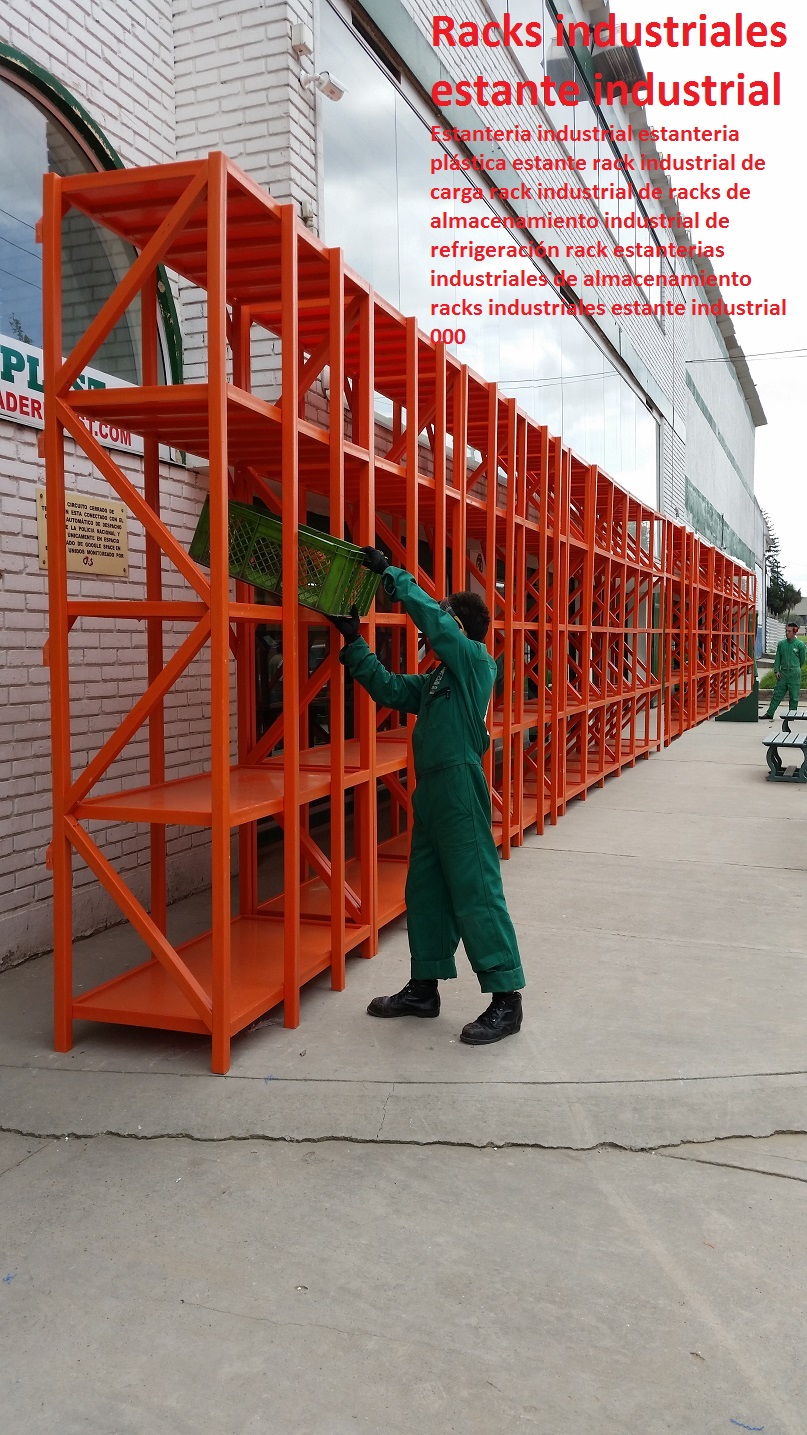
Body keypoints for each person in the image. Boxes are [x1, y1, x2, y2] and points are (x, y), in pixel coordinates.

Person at [328, 548, 525, 1045]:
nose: (432, 632)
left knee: (475, 889)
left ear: (460, 627)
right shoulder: (439, 677)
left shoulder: (475, 662)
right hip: (433, 793)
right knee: (426, 891)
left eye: (446, 620)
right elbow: (392, 689)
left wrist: (395, 577)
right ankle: (424, 987)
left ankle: (506, 998)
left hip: (459, 787)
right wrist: (354, 643)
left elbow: (439, 627)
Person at [765, 622, 806, 724]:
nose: (787, 633)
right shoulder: (781, 644)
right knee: (777, 694)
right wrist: (776, 670)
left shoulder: (800, 645)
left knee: (794, 696)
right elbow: (778, 658)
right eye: (786, 631)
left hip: (794, 673)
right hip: (783, 673)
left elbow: (802, 659)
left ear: (794, 631)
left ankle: (792, 715)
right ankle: (769, 713)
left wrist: (795, 667)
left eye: (789, 631)